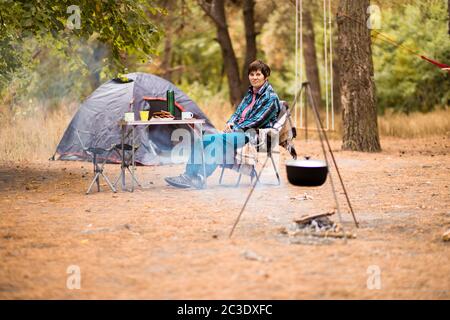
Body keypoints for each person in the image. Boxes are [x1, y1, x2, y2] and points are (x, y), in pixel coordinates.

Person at [165, 60, 281, 189]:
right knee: (201, 140)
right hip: (239, 132)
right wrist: (230, 123)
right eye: (252, 74)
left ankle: (199, 178)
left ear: (266, 77)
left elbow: (257, 121)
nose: (254, 77)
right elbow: (237, 113)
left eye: (258, 74)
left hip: (255, 136)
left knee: (218, 142)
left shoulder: (270, 97)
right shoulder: (250, 94)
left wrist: (235, 128)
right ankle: (188, 176)